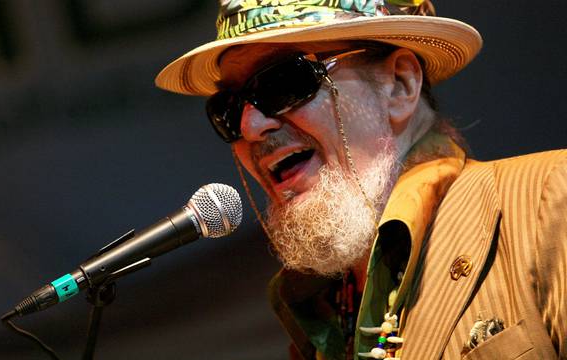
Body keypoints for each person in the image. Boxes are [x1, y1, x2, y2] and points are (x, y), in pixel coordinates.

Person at [155, 1, 567, 359]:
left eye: (284, 82)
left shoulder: (550, 198)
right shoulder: (319, 311)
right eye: (228, 107)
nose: (250, 125)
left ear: (399, 85)